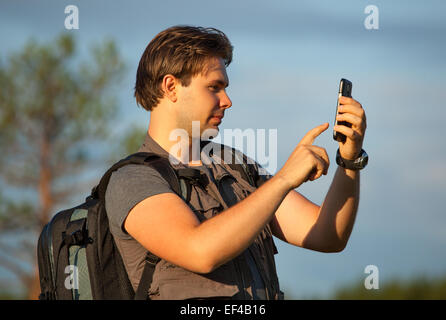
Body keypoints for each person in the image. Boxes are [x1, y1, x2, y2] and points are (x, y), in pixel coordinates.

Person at [105, 25, 368, 300]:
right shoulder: (133, 180)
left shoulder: (236, 167)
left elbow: (328, 235)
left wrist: (349, 160)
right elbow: (199, 251)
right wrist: (283, 179)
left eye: (225, 88)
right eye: (214, 88)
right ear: (171, 87)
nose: (227, 101)